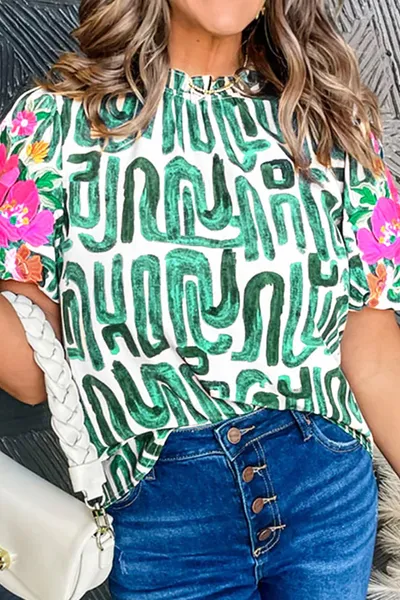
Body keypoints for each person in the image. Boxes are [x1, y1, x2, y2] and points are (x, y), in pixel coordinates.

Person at [1, 0, 400, 597]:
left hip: (326, 489)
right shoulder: (51, 125)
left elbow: (370, 348)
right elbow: (36, 376)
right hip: (165, 513)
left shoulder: (327, 120)